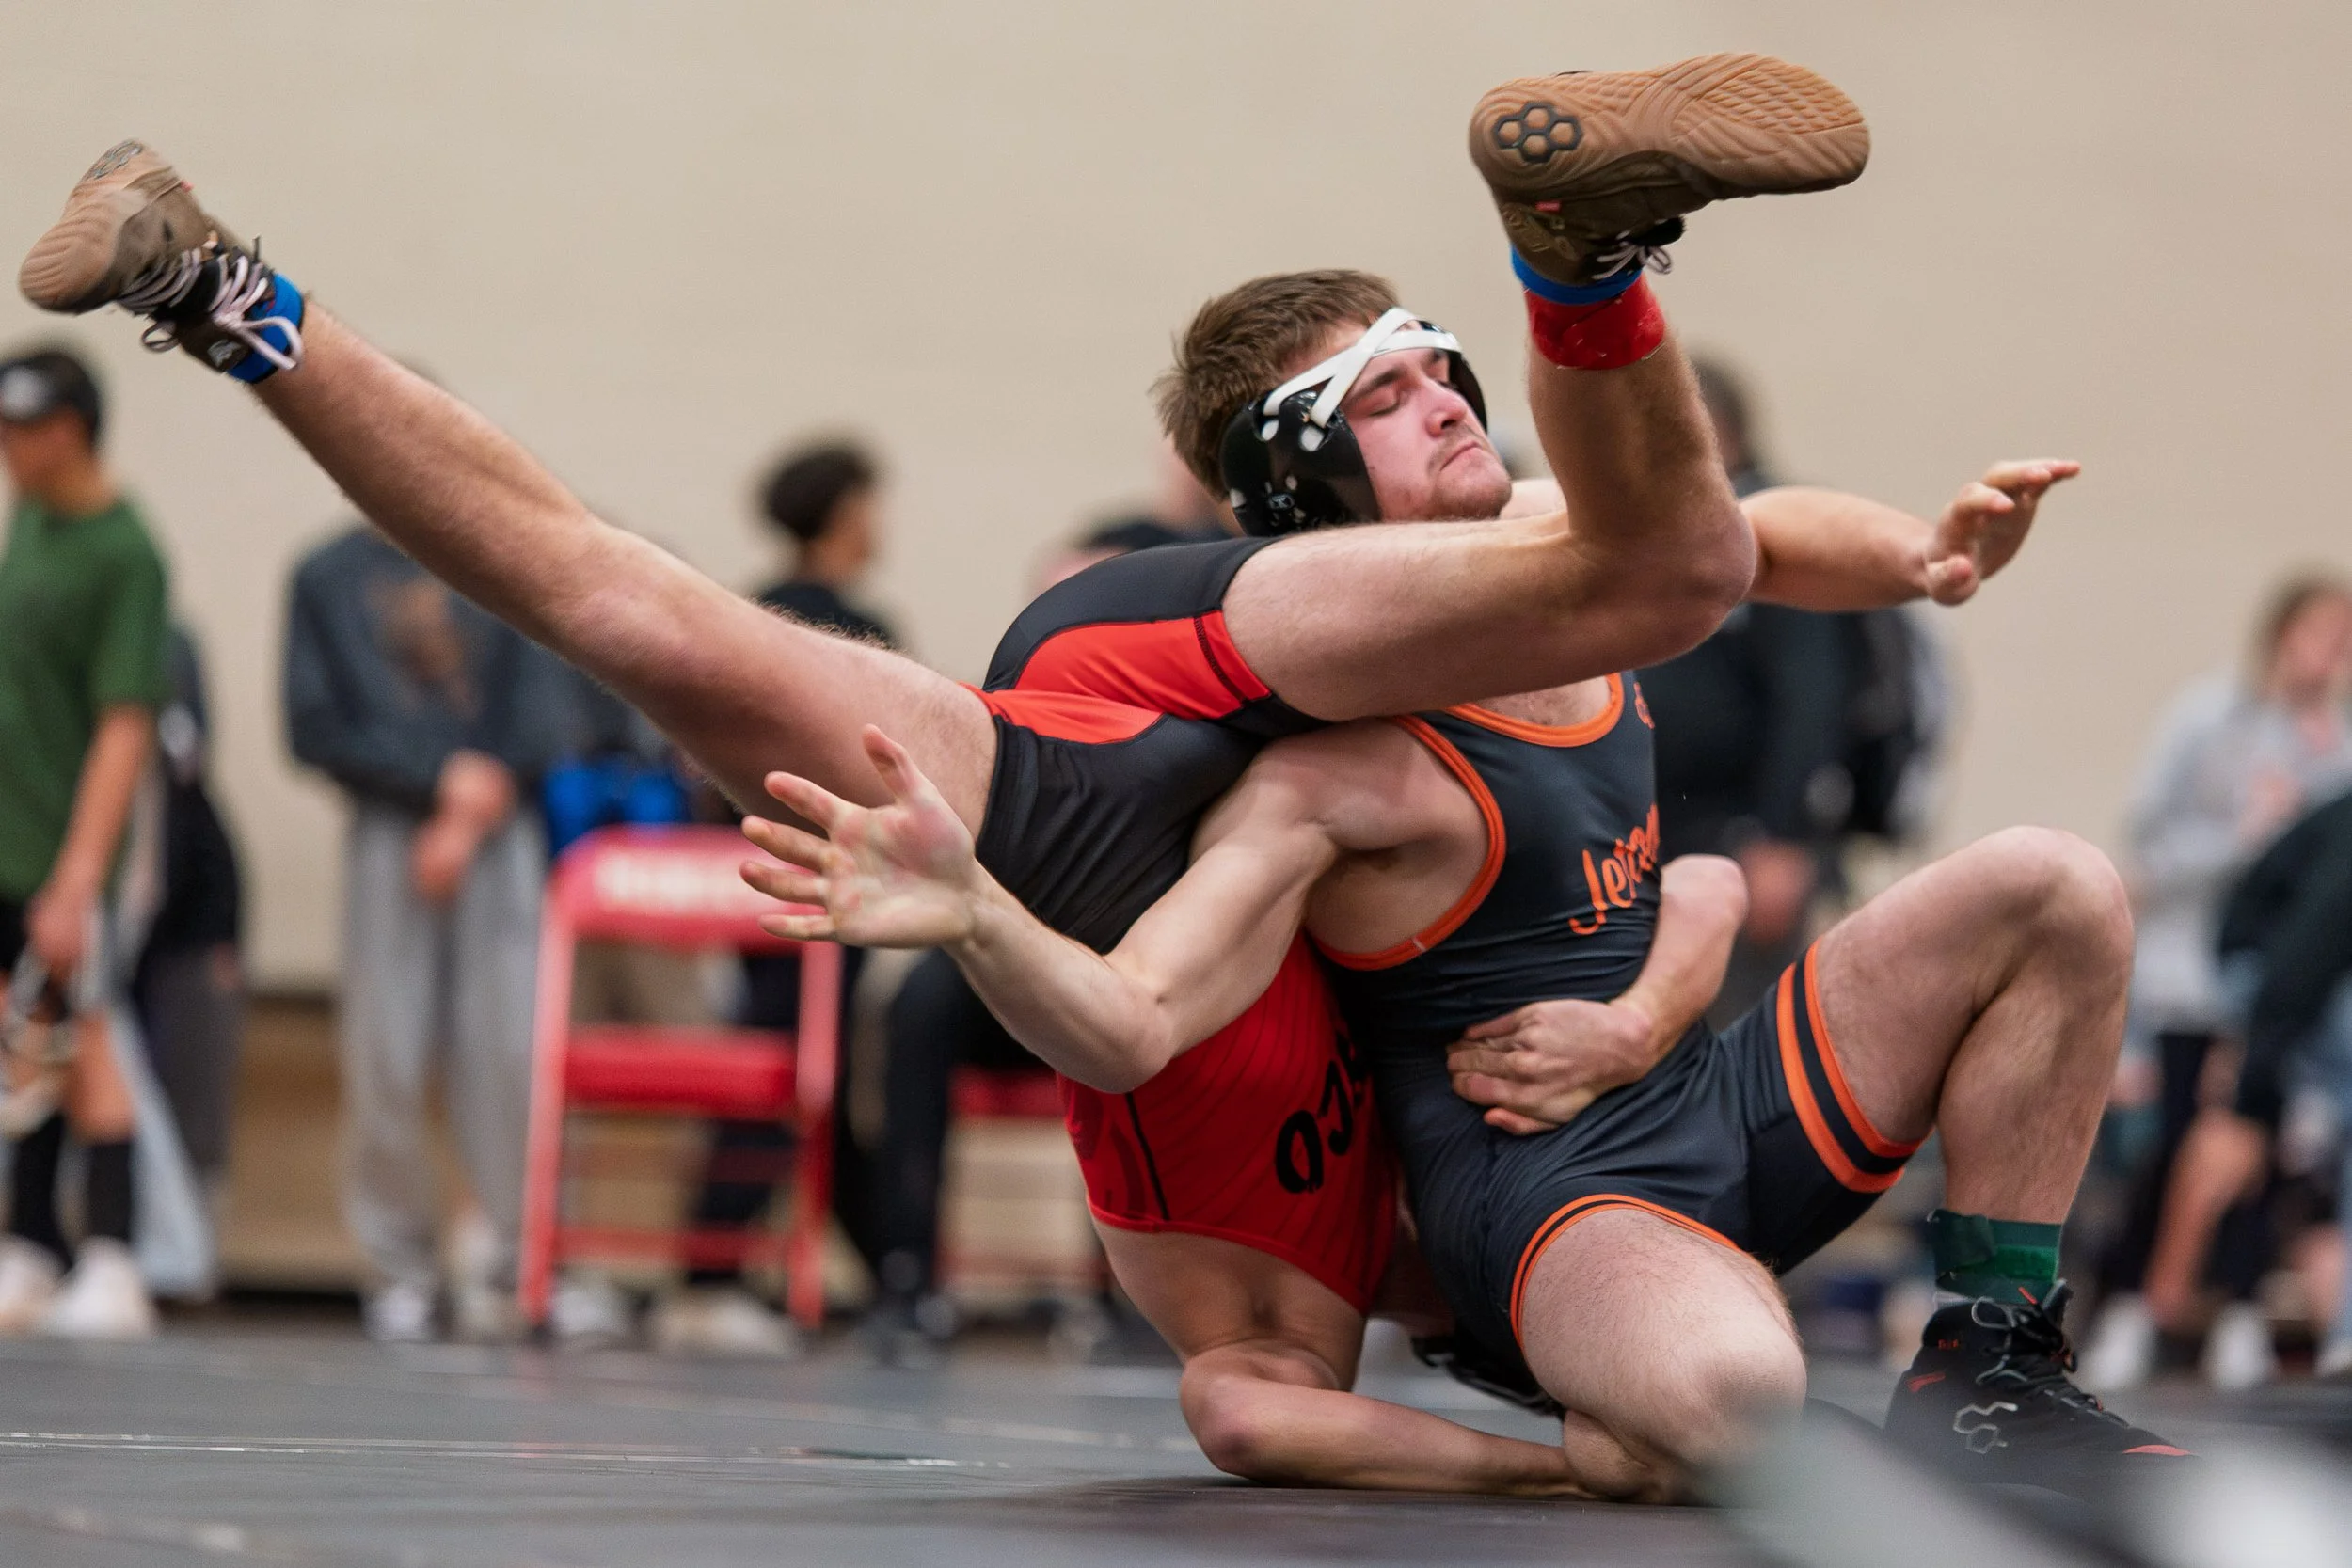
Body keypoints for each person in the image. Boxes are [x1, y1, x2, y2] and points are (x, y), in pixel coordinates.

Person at [22, 53, 1929, 1489]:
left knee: (629, 609)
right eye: (1392, 386)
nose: (1442, 403)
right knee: (1654, 573)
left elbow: (1754, 543)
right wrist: (1563, 1456)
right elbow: (1155, 1092)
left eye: (1442, 372)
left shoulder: (1388, 1201)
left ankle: (216, 287)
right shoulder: (1344, 1264)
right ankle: (1578, 252)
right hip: (1171, 705)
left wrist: (1919, 553)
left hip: (1108, 777)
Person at [282, 519, 570, 1343]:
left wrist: (474, 800)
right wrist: (433, 781)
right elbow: (313, 722)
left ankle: (519, 1259)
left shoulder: (503, 547)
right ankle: (399, 1267)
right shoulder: (327, 573)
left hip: (502, 826)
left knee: (510, 1049)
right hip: (389, 828)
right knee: (386, 1051)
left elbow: (547, 708)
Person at [2080, 576, 2352, 1390]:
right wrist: (2248, 835)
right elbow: (2150, 842)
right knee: (2175, 1143)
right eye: (2318, 632)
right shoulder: (2208, 718)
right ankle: (2132, 1308)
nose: (2330, 652)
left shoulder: (2338, 745)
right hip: (2193, 974)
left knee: (2267, 1152)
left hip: (2291, 983)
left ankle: (2238, 1308)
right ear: (2280, 634)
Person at [0, 345, 171, 1339]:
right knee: (29, 1047)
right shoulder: (30, 524)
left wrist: (78, 877)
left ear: (67, 431)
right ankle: (31, 1243)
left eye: (21, 429)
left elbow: (123, 720)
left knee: (89, 1037)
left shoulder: (125, 552)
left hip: (70, 848)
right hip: (9, 834)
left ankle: (115, 1255)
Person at [1640, 359, 1856, 1023]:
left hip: (1747, 845)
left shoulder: (1770, 530)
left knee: (1744, 1034)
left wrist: (1782, 839)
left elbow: (1810, 696)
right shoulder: (1666, 536)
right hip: (1670, 840)